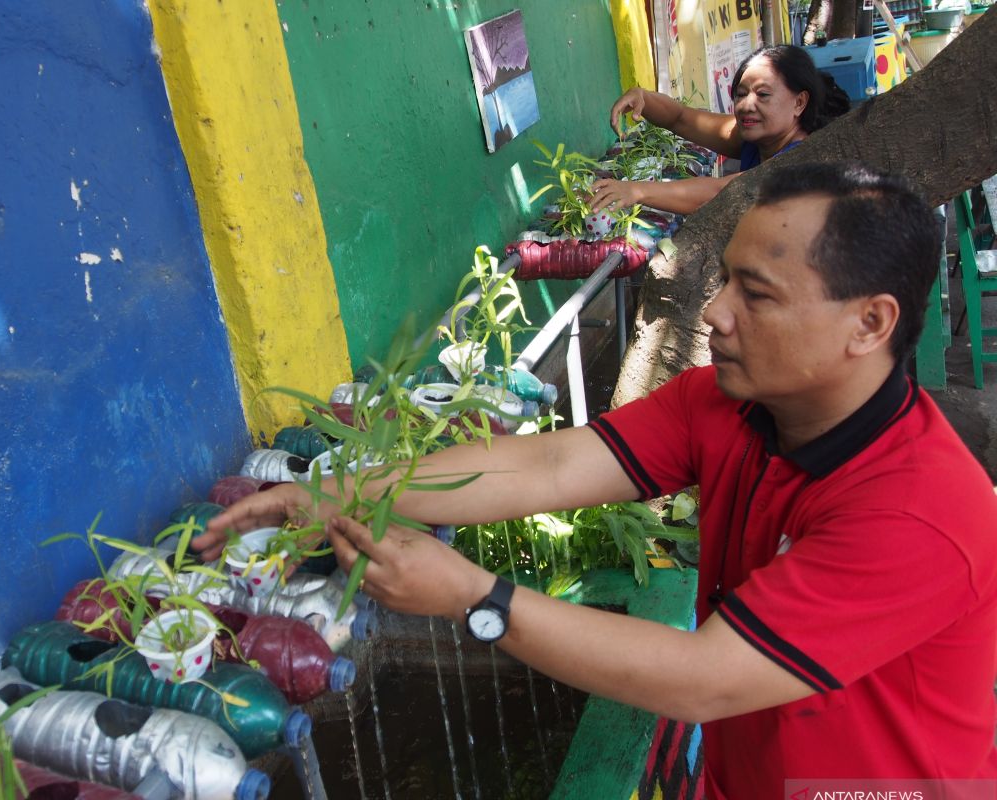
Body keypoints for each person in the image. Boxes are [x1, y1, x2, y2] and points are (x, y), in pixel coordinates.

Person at [194, 161, 997, 796]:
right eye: (724, 280)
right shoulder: (731, 403)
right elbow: (547, 462)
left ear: (871, 323)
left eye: (754, 294)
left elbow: (706, 678)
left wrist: (476, 599)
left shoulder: (921, 512)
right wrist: (339, 491)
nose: (714, 313)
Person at [589, 44, 850, 215]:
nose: (746, 105)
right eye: (741, 94)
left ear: (799, 102)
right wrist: (643, 99)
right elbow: (681, 118)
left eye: (763, 94)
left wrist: (635, 190)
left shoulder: (799, 161)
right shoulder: (758, 138)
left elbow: (718, 194)